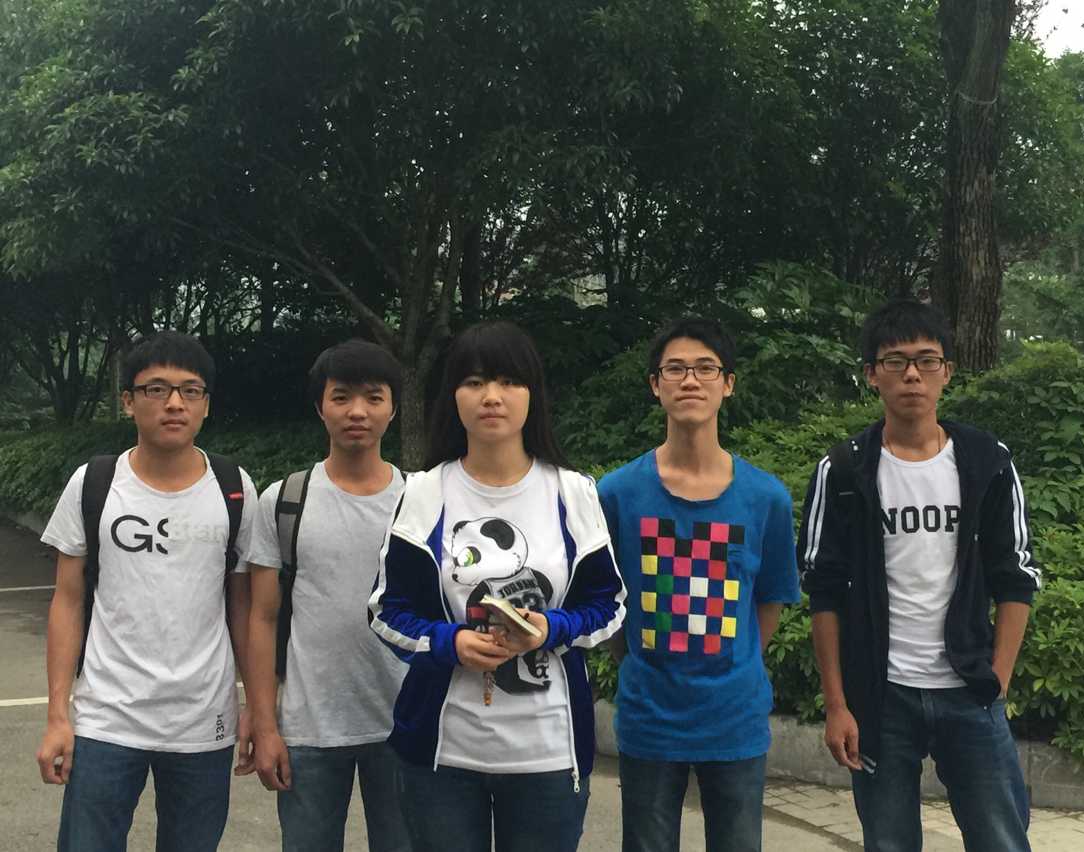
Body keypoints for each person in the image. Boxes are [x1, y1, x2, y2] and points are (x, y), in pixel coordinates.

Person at [368, 320, 626, 852]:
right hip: (441, 757)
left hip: (549, 755)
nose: (491, 396)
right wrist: (450, 642)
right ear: (453, 396)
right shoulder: (423, 493)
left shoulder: (573, 492)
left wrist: (552, 629)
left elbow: (609, 604)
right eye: (474, 381)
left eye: (509, 381)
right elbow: (386, 611)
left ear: (533, 395)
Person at [798, 299, 1040, 852]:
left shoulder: (987, 461)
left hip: (969, 690)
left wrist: (997, 679)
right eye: (896, 361)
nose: (912, 374)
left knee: (1002, 840)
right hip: (881, 697)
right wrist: (837, 704)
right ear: (871, 374)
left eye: (927, 360)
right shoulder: (844, 469)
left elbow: (1015, 576)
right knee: (888, 842)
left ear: (947, 371)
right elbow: (823, 591)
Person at [35, 331, 257, 852]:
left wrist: (257, 710)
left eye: (190, 390)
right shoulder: (94, 482)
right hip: (107, 718)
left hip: (203, 719)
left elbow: (246, 609)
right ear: (128, 402)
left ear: (206, 404)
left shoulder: (234, 487)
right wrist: (58, 714)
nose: (174, 403)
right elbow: (67, 600)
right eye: (156, 389)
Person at [597, 317, 800, 852]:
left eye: (706, 368)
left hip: (734, 718)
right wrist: (637, 659)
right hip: (649, 717)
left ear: (728, 383)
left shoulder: (766, 499)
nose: (690, 380)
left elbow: (770, 601)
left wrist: (735, 660)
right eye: (676, 369)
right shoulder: (616, 494)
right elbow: (608, 602)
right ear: (655, 384)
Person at [243, 340, 410, 851]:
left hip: (407, 725)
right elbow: (262, 618)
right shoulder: (284, 501)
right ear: (320, 407)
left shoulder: (421, 502)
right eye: (341, 397)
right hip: (309, 726)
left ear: (393, 408)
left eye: (373, 397)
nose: (357, 411)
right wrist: (265, 724)